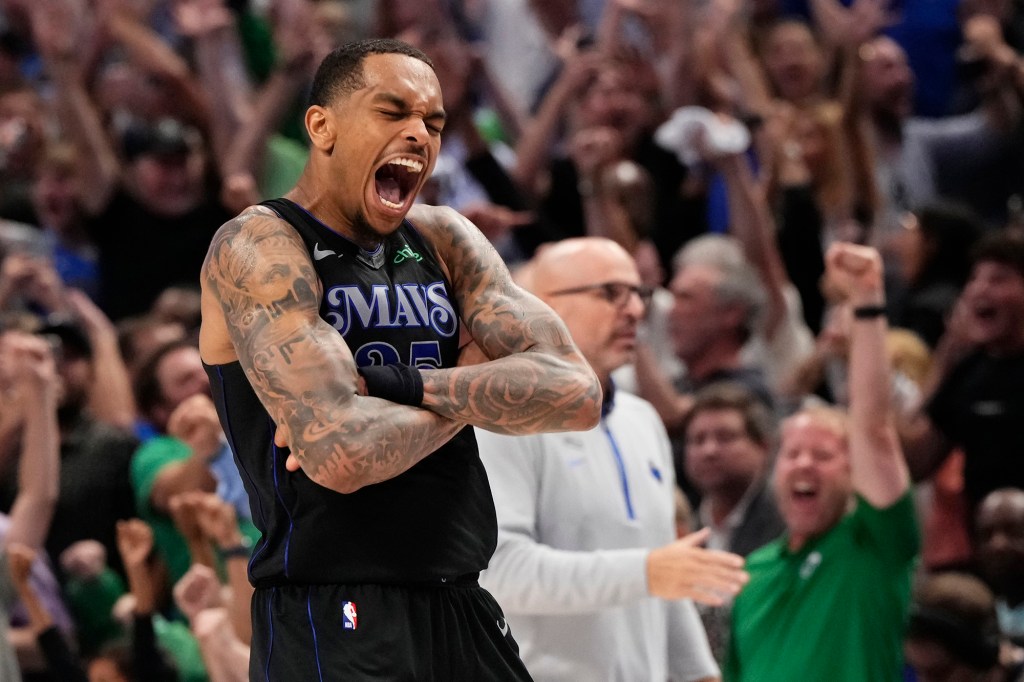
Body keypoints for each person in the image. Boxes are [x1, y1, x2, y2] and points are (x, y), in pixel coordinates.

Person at [198, 38, 602, 680]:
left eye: (433, 122)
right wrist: (481, 386)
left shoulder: (444, 238)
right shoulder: (260, 247)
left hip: (460, 592)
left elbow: (578, 394)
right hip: (332, 604)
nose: (418, 134)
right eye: (393, 113)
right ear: (321, 125)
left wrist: (403, 387)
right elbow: (340, 453)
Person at [476, 237, 748, 682]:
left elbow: (667, 579)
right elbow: (500, 571)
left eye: (638, 294)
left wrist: (699, 672)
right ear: (539, 305)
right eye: (609, 293)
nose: (636, 311)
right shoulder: (502, 420)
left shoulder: (642, 421)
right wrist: (645, 571)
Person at [725, 243, 919, 681]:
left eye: (824, 454)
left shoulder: (875, 545)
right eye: (792, 454)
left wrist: (867, 300)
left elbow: (873, 430)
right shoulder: (752, 573)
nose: (804, 464)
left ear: (855, 474)